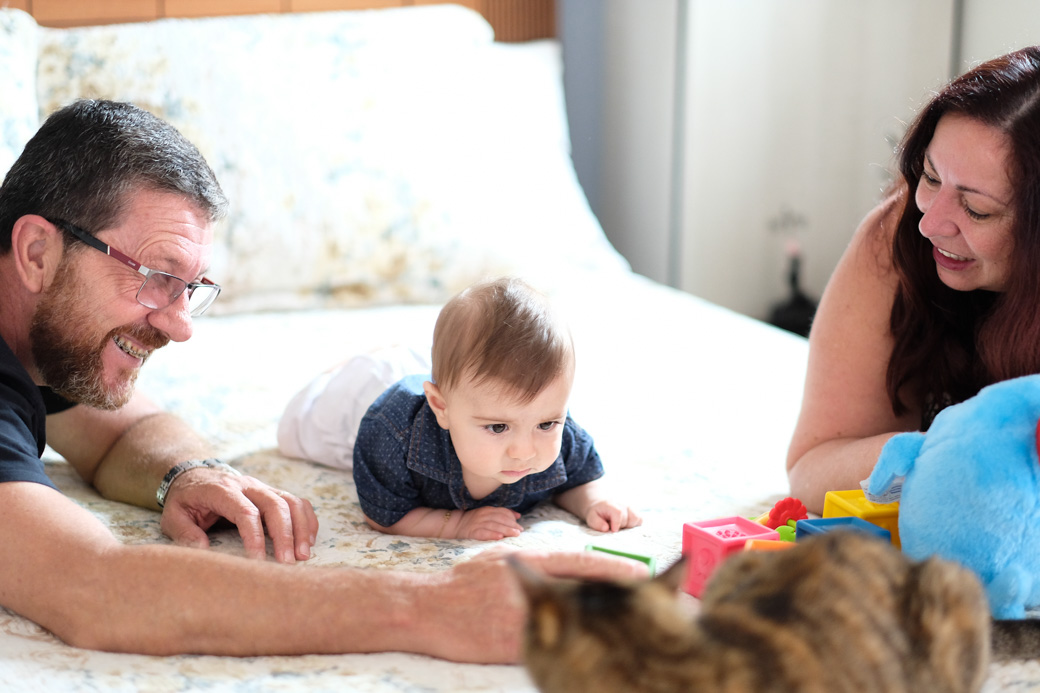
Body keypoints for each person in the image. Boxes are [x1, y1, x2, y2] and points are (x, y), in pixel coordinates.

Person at [0, 99, 647, 661]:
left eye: (189, 288)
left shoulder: (45, 339)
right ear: (36, 252)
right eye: (155, 276)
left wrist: (186, 472)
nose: (179, 325)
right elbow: (91, 587)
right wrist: (430, 606)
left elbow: (119, 433)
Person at [787, 46, 1040, 514]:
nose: (931, 223)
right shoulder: (898, 236)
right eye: (929, 176)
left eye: (977, 209)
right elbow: (811, 470)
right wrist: (953, 448)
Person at [283, 277, 642, 540]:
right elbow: (385, 516)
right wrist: (457, 525)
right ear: (441, 408)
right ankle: (369, 359)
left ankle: (421, 359)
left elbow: (579, 480)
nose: (525, 450)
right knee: (295, 429)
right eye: (498, 428)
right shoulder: (392, 436)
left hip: (458, 390)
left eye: (547, 423)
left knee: (470, 383)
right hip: (368, 398)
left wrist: (593, 502)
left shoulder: (557, 436)